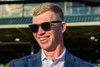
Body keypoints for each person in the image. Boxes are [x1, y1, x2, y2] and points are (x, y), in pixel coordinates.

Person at [9, 2, 94, 67]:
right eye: (34, 27)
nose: (40, 32)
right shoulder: (17, 65)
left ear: (62, 27)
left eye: (45, 25)